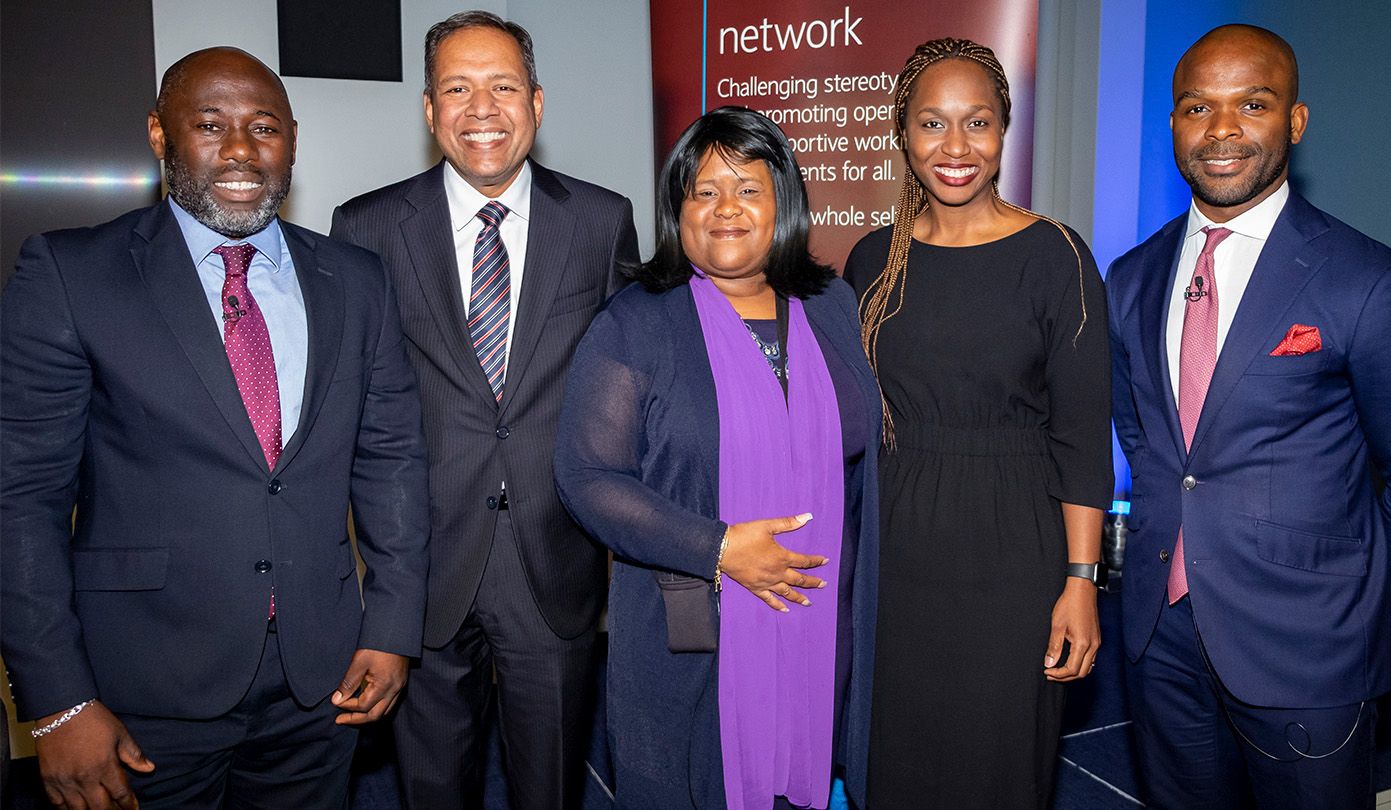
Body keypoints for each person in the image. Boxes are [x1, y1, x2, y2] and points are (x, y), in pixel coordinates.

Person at [0, 47, 429, 809]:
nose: (240, 150)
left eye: (264, 127)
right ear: (160, 136)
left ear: (292, 140)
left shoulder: (357, 280)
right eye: (209, 124)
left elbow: (392, 460)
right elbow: (20, 498)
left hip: (321, 682)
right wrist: (58, 700)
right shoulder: (72, 275)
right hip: (140, 691)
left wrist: (392, 627)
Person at [1107, 24, 1391, 808]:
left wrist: (1346, 590)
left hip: (1308, 648)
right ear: (1175, 126)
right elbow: (1143, 438)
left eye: (1251, 104)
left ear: (1294, 121)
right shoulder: (1130, 275)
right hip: (1159, 641)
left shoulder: (1373, 282)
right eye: (1197, 107)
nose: (1222, 130)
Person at [329, 10, 639, 808]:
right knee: (433, 787)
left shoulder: (601, 221)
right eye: (457, 89)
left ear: (537, 102)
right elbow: (352, 402)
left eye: (502, 86)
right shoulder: (364, 229)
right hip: (422, 562)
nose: (482, 109)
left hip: (556, 558)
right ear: (429, 111)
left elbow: (632, 378)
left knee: (551, 786)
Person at [554, 106, 882, 809]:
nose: (725, 208)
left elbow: (861, 459)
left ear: (782, 202)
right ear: (679, 210)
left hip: (824, 625)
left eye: (748, 188)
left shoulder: (831, 306)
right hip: (699, 633)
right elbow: (587, 476)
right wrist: (720, 546)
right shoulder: (637, 322)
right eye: (704, 191)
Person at [844, 38, 1112, 807]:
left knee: (997, 759)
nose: (955, 148)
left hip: (1014, 549)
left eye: (978, 123)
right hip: (894, 548)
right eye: (933, 124)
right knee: (892, 755)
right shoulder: (871, 260)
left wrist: (1081, 580)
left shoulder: (1057, 256)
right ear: (902, 134)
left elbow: (1082, 433)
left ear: (1004, 132)